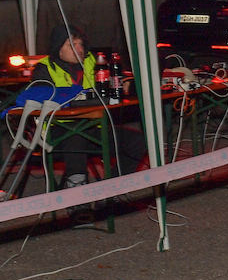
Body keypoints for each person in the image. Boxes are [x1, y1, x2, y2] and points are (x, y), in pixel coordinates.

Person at [30, 24, 147, 189]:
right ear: (58, 48)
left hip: (94, 128)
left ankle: (111, 190)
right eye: (72, 45)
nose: (79, 49)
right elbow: (42, 98)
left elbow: (113, 83)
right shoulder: (44, 68)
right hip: (57, 132)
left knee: (137, 141)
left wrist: (126, 86)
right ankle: (77, 190)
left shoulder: (94, 62)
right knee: (76, 132)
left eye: (80, 44)